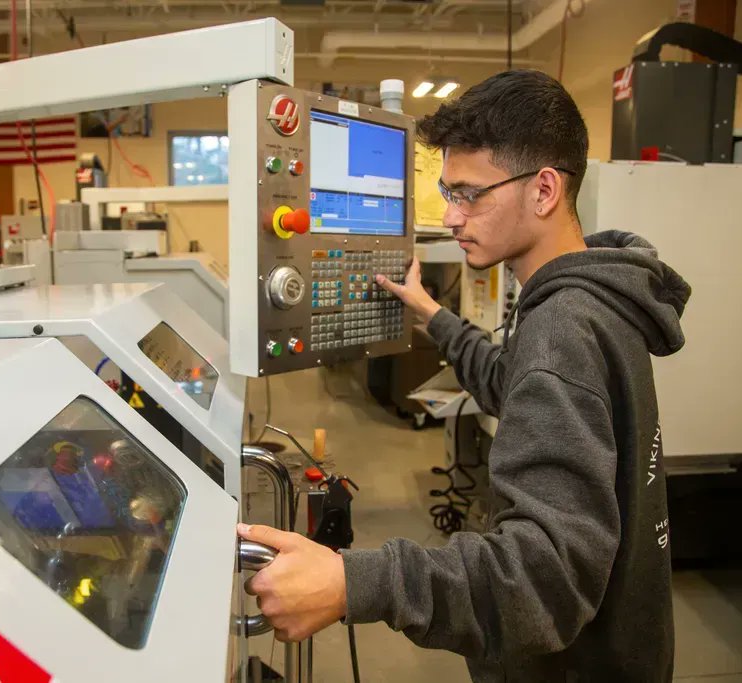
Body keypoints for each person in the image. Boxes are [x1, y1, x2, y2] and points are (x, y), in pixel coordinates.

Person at [237, 69, 691, 682]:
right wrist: (433, 315)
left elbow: (544, 581)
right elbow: (515, 385)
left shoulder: (562, 329)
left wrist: (352, 582)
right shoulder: (601, 297)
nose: (451, 216)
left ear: (544, 189)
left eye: (469, 193)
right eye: (447, 192)